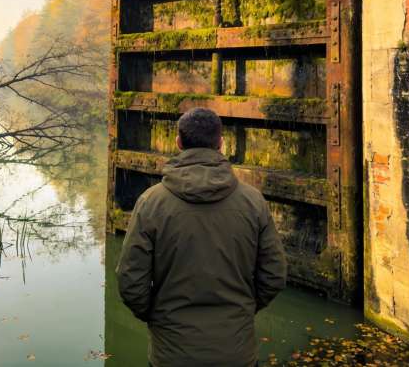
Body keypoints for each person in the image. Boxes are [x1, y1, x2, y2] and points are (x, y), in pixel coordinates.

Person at [116, 107, 288, 367]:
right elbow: (274, 275)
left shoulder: (151, 203)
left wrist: (158, 316)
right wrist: (242, 310)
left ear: (178, 142)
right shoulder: (253, 202)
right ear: (221, 143)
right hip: (236, 353)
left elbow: (130, 281)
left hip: (172, 355)